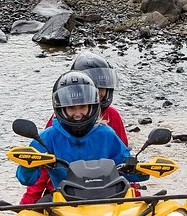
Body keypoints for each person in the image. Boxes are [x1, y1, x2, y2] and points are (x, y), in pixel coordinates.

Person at [20, 52, 129, 204]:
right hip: (62, 195)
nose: (77, 114)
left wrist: (134, 195)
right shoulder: (55, 128)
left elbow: (125, 163)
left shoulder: (109, 127)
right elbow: (40, 167)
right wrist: (28, 203)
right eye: (72, 108)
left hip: (106, 192)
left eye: (101, 87)